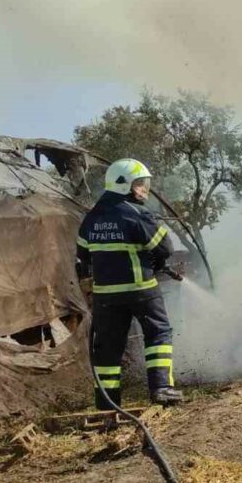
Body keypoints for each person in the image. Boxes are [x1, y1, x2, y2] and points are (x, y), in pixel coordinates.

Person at [76, 158, 184, 408]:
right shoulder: (135, 212)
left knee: (107, 348)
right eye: (140, 184)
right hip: (141, 289)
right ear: (124, 185)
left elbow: (83, 256)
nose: (144, 189)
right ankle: (161, 388)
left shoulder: (91, 217)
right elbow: (165, 248)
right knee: (158, 333)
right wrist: (152, 258)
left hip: (106, 296)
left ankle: (106, 403)